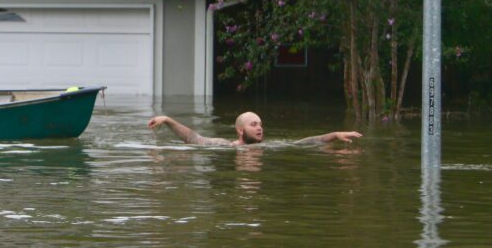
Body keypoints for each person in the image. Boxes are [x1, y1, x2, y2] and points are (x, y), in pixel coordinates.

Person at [147, 111, 362, 146]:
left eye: (260, 124)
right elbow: (194, 138)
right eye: (254, 125)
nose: (260, 128)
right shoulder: (225, 146)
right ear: (240, 131)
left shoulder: (267, 146)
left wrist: (335, 134)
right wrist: (167, 120)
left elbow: (306, 142)